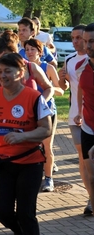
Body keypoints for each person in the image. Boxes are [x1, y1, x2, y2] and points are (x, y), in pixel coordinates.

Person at [0, 53, 52, 235]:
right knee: (1, 211)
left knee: (25, 212)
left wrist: (24, 137)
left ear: (20, 73)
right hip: (3, 162)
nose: (2, 76)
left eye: (8, 71)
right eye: (0, 71)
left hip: (30, 163)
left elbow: (46, 129)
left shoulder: (34, 97)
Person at [58, 25, 91, 214]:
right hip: (75, 114)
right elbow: (62, 87)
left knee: (90, 157)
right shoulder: (69, 60)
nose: (75, 41)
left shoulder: (91, 58)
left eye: (79, 37)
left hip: (91, 114)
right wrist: (62, 78)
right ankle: (90, 196)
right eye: (73, 38)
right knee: (83, 156)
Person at [24, 38, 63, 192]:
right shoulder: (24, 68)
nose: (29, 52)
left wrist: (49, 89)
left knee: (47, 146)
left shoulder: (48, 68)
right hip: (30, 113)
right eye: (27, 49)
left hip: (47, 111)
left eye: (32, 49)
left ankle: (48, 179)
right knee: (31, 146)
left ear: (40, 52)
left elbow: (60, 90)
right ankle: (32, 176)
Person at [0, 30, 55, 104]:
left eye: (8, 56)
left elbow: (49, 88)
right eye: (2, 58)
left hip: (30, 114)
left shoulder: (31, 67)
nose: (6, 62)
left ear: (15, 54)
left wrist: (38, 105)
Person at [74, 22, 94, 222]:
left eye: (92, 42)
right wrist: (79, 111)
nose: (87, 46)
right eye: (86, 41)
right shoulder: (81, 68)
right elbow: (81, 89)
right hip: (88, 128)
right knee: (92, 178)